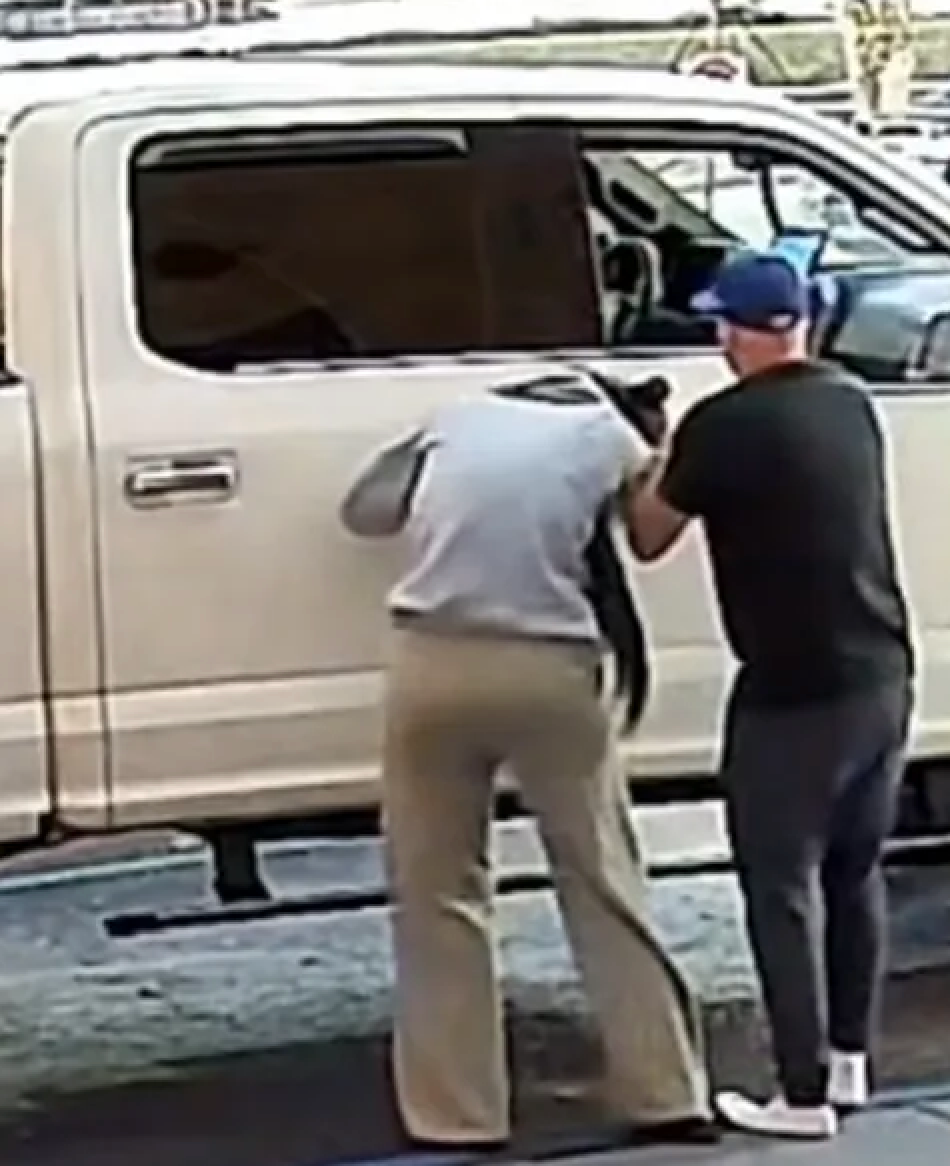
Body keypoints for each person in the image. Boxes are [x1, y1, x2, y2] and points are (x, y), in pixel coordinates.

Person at [340, 372, 714, 1151]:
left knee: (437, 893)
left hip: (431, 667)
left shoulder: (457, 417)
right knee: (602, 878)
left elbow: (364, 511)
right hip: (552, 670)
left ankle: (456, 1115)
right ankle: (665, 1093)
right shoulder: (612, 439)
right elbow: (647, 531)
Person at [624, 251, 915, 1140]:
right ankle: (851, 1060)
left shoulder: (722, 425)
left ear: (733, 332)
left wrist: (656, 446)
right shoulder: (848, 402)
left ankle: (801, 1094)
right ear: (804, 322)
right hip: (883, 673)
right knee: (855, 870)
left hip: (791, 690)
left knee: (777, 884)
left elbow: (646, 536)